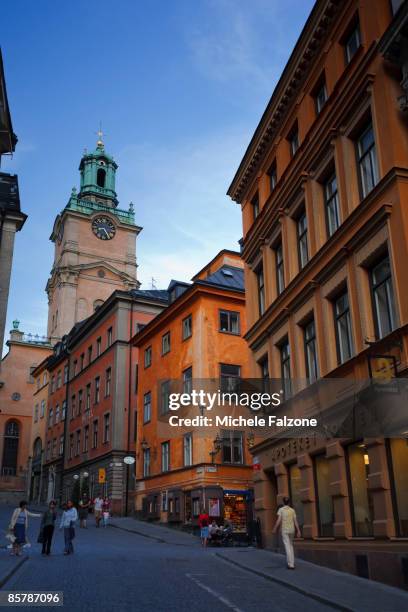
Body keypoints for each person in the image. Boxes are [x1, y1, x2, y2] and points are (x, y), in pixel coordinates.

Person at [272, 496, 301, 569]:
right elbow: (295, 521)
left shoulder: (281, 510)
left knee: (287, 546)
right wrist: (298, 530)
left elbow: (279, 520)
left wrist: (275, 528)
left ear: (283, 502)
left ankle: (290, 564)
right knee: (291, 545)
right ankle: (292, 563)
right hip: (292, 530)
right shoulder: (292, 510)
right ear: (289, 502)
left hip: (285, 530)